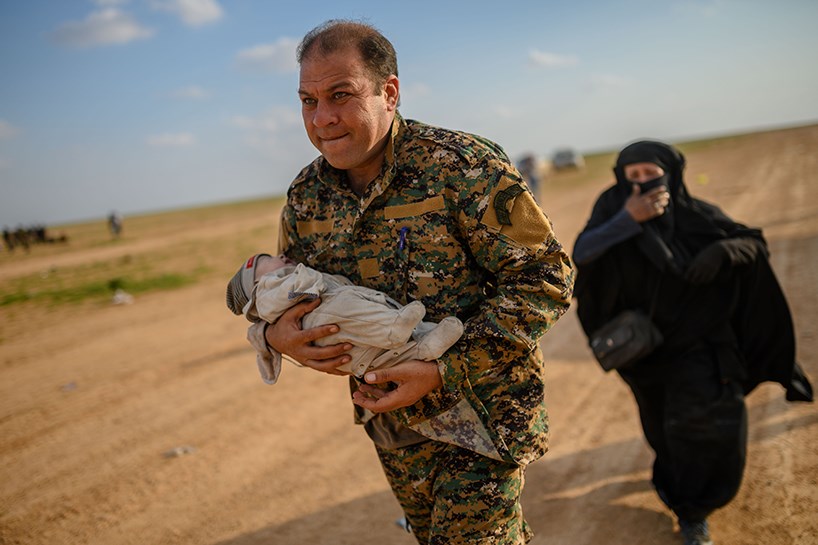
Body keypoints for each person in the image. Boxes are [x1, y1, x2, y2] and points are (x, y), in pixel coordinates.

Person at [248, 19, 574, 544]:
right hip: (394, 433)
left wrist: (443, 367)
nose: (322, 118)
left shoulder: (460, 166)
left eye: (341, 95)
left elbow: (546, 279)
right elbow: (286, 293)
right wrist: (275, 337)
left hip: (482, 420)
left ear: (389, 92)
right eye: (308, 100)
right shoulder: (307, 195)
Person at [572, 140, 813, 545]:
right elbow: (582, 251)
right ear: (620, 179)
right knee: (664, 431)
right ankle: (680, 491)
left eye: (651, 173)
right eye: (633, 176)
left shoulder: (693, 214)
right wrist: (628, 219)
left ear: (672, 173)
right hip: (645, 352)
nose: (643, 182)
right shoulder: (612, 212)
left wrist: (722, 251)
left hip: (703, 343)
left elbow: (752, 242)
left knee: (709, 427)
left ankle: (693, 511)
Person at [226, 252, 464, 383]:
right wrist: (271, 336)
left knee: (383, 357)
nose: (281, 254)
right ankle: (394, 328)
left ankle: (424, 345)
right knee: (346, 307)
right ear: (258, 285)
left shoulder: (275, 282)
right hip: (330, 320)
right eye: (268, 260)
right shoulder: (270, 290)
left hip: (354, 348)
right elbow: (299, 290)